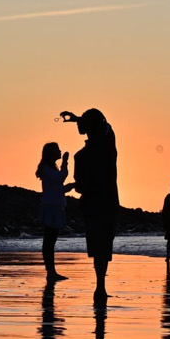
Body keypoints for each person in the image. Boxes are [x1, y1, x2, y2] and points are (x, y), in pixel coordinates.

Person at [61, 109, 118, 296]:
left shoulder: (81, 156)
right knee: (105, 245)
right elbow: (108, 128)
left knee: (96, 245)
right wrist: (81, 119)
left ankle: (99, 285)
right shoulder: (108, 148)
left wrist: (79, 119)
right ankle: (100, 285)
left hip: (91, 204)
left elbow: (80, 187)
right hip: (108, 202)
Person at [36, 142, 70, 279]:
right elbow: (60, 178)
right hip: (51, 207)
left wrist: (68, 187)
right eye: (57, 150)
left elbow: (56, 187)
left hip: (54, 206)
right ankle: (50, 272)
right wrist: (65, 162)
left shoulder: (50, 169)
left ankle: (51, 271)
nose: (60, 151)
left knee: (51, 239)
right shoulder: (46, 168)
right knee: (50, 240)